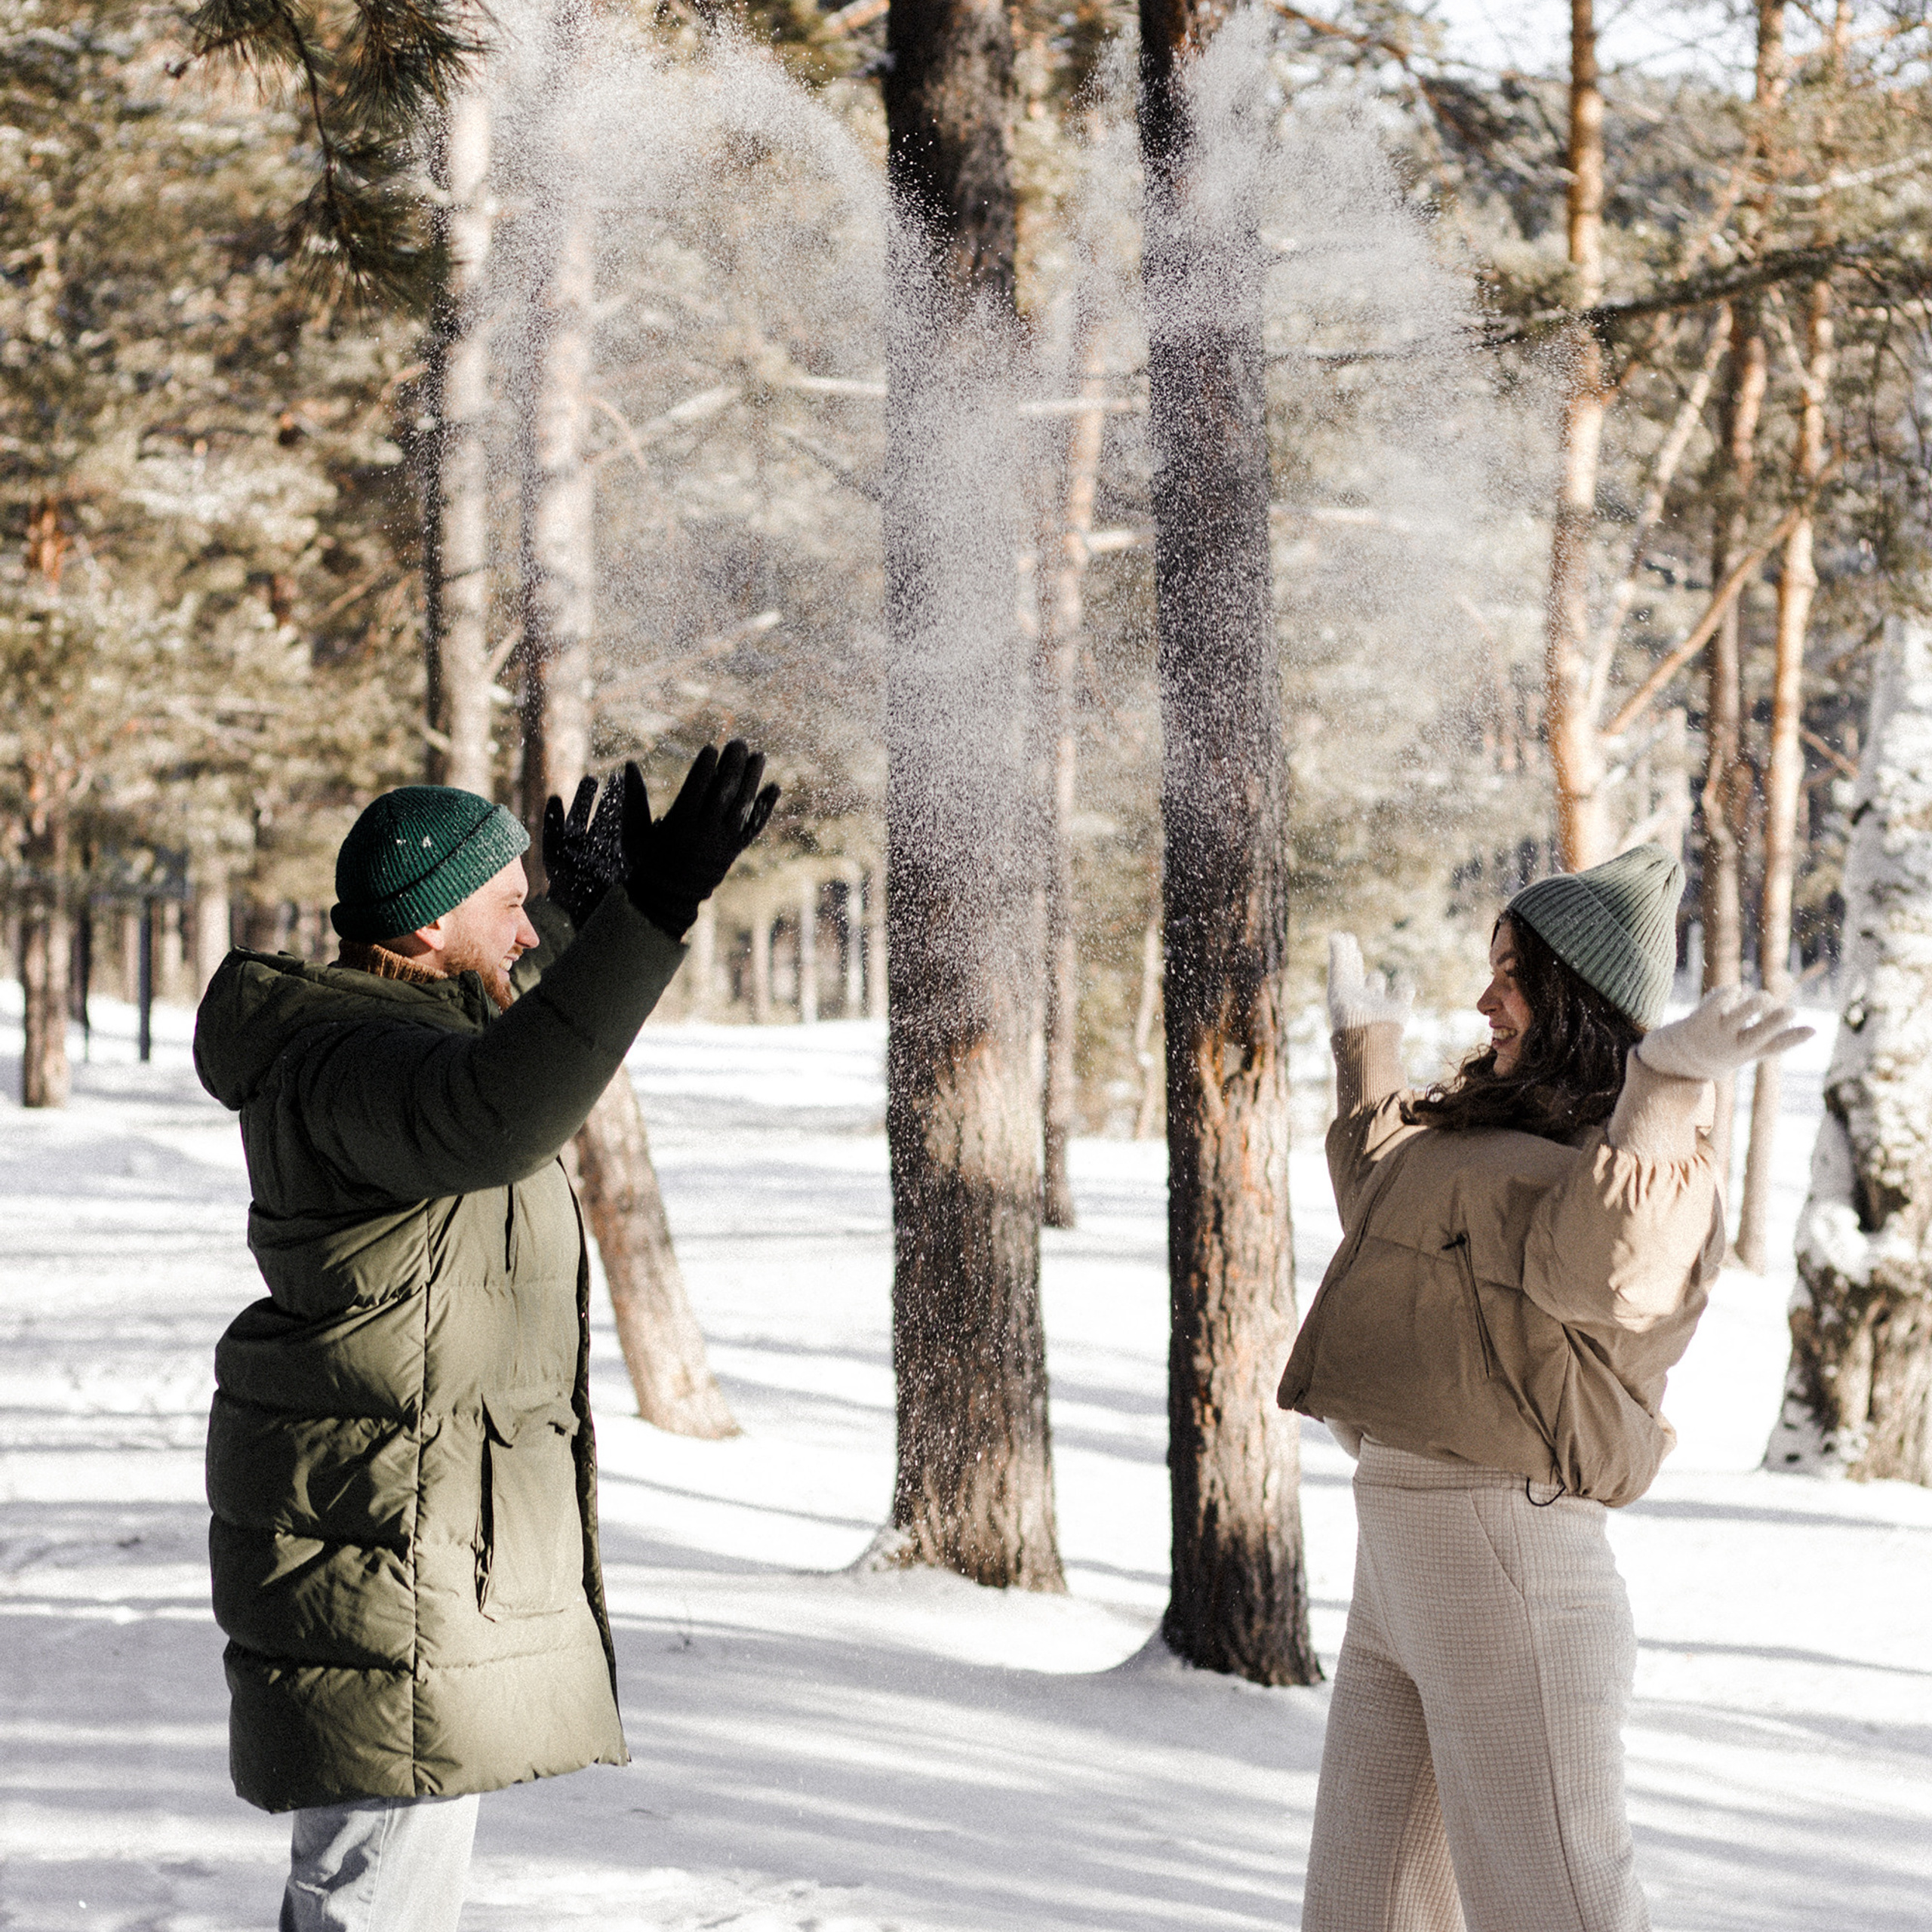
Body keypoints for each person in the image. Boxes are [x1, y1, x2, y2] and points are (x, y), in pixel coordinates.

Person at [192, 743, 777, 1932]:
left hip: (404, 1530)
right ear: (422, 927)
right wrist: (652, 917)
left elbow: (487, 1041)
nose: (526, 936)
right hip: (382, 1544)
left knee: (389, 1881)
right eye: (511, 910)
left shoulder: (379, 1033)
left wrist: (585, 924)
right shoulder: (350, 1064)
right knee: (376, 1898)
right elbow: (495, 1102)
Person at [1278, 844, 1812, 1932]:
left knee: (1552, 1910)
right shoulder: (1493, 1125)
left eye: (1514, 973)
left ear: (1580, 996)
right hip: (1402, 1555)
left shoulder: (1622, 1159)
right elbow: (1384, 1207)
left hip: (1505, 1558)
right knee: (1362, 1912)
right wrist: (1364, 1044)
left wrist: (1665, 1087)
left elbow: (1617, 1272)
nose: (1487, 998)